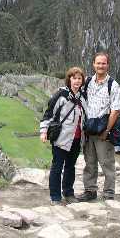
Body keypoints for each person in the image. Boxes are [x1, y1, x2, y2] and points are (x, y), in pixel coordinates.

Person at [77, 52, 120, 201]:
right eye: (98, 63)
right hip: (89, 130)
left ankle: (109, 193)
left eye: (103, 63)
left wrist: (107, 131)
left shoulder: (113, 85)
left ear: (108, 65)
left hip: (103, 130)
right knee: (89, 163)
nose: (100, 66)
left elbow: (116, 110)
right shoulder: (88, 82)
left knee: (106, 163)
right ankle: (90, 191)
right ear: (93, 64)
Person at [40, 67, 86, 205]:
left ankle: (68, 192)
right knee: (57, 166)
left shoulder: (82, 97)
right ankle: (55, 196)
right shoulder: (61, 95)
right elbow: (49, 114)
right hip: (61, 138)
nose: (77, 81)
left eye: (79, 78)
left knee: (70, 166)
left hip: (77, 139)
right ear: (69, 79)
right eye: (74, 78)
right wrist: (43, 131)